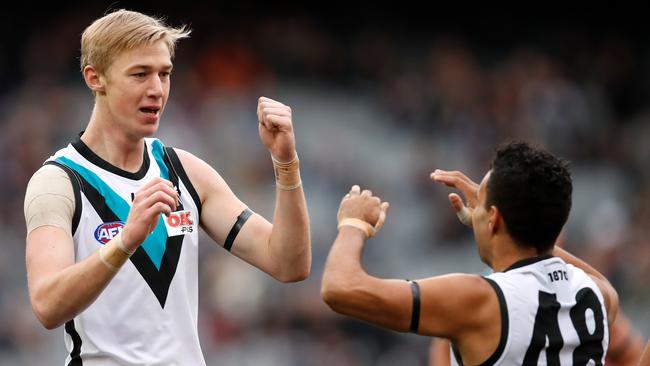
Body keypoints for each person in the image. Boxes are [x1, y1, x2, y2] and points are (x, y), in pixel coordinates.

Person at [23, 9, 311, 365]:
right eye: (140, 74)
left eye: (165, 74)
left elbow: (288, 264)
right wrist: (125, 241)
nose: (157, 90)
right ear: (95, 78)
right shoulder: (59, 182)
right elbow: (47, 306)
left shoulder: (185, 171)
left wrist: (286, 164)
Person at [322, 141, 618, 365]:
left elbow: (341, 289)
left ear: (495, 218)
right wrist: (510, 216)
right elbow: (548, 240)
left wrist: (353, 224)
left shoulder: (477, 299)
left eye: (482, 204)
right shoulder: (597, 294)